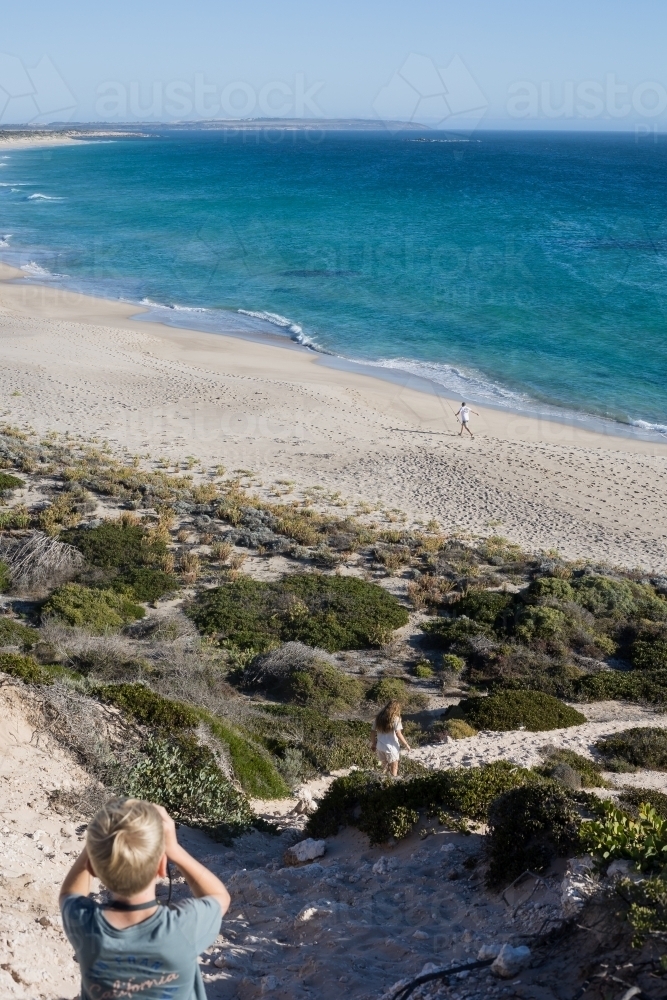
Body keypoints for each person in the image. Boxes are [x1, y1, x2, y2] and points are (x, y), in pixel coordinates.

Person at [59, 798, 231, 1000]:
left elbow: (69, 894)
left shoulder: (84, 923)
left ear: (92, 868)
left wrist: (97, 843)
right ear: (161, 867)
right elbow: (219, 897)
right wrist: (175, 849)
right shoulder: (184, 926)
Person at [371, 700, 411, 777]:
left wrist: (373, 743)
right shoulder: (396, 719)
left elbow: (372, 731)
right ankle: (392, 786)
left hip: (380, 746)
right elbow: (398, 733)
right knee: (394, 768)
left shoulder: (378, 717)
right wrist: (406, 744)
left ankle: (383, 784)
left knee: (384, 767)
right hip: (391, 748)